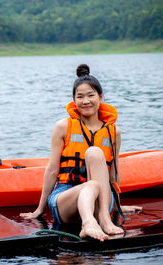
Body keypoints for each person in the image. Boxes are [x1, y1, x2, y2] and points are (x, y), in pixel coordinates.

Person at [20, 64, 142, 241]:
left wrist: (117, 206)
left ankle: (104, 220)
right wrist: (39, 209)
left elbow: (113, 173)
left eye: (91, 95)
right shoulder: (63, 126)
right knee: (91, 186)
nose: (86, 101)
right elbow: (53, 170)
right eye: (80, 97)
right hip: (66, 197)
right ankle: (89, 224)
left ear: (100, 97)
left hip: (100, 203)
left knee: (94, 154)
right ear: (73, 100)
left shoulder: (113, 131)